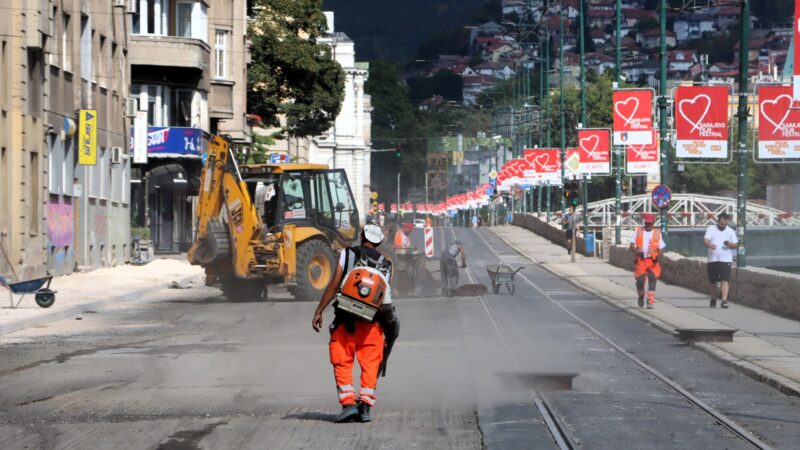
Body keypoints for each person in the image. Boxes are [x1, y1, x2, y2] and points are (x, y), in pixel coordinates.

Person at [312, 224, 399, 423]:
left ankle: (349, 404)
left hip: (345, 320)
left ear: (361, 237)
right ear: (379, 242)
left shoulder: (347, 254)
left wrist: (319, 311)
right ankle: (365, 408)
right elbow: (384, 296)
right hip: (373, 324)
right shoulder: (386, 263)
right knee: (370, 365)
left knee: (342, 361)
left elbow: (334, 285)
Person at [629, 213, 665, 309]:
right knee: (640, 281)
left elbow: (662, 247)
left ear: (653, 223)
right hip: (641, 260)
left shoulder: (657, 233)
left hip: (653, 261)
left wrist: (658, 255)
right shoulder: (638, 231)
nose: (648, 225)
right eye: (647, 223)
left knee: (652, 279)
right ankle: (641, 295)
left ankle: (650, 300)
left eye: (650, 223)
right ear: (645, 222)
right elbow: (631, 245)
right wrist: (637, 252)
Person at [704, 213, 738, 309]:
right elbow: (705, 240)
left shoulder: (730, 231)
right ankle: (713, 299)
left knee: (725, 280)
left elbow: (736, 245)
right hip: (712, 259)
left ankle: (724, 301)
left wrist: (729, 244)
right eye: (721, 224)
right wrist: (709, 245)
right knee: (712, 281)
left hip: (726, 259)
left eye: (725, 224)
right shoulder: (711, 229)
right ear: (718, 221)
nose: (723, 226)